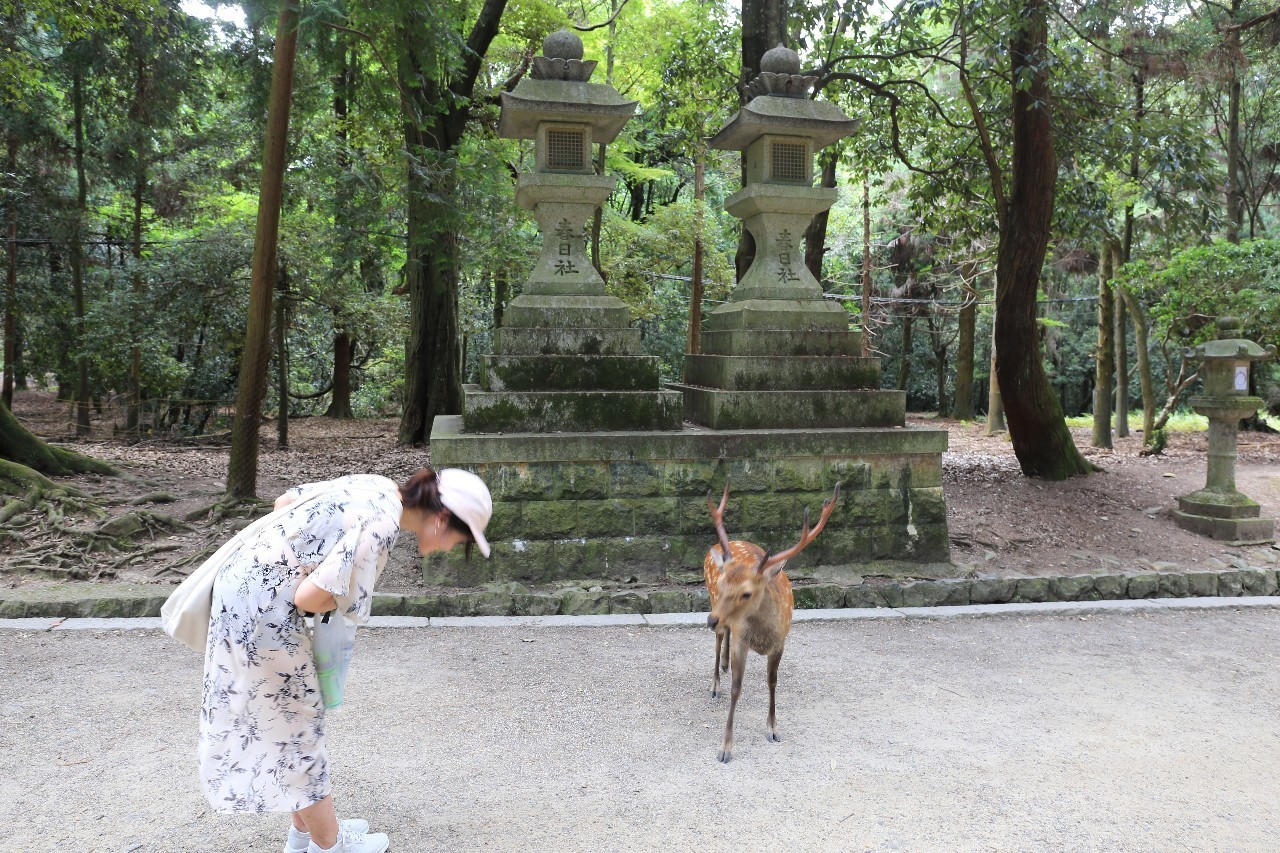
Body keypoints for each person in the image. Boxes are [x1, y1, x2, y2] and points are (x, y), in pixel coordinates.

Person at [198, 468, 492, 853]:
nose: (452, 548)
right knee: (301, 737)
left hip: (241, 594)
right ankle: (330, 846)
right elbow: (309, 598)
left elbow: (284, 503)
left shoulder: (378, 486)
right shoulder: (382, 525)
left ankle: (305, 838)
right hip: (265, 617)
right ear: (441, 520)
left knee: (290, 730)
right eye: (461, 538)